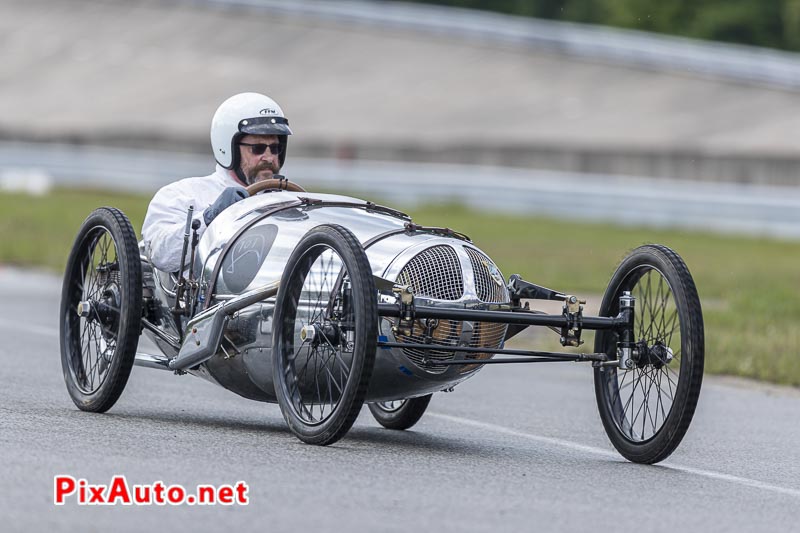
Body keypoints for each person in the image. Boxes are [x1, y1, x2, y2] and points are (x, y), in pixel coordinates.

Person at [142, 92, 292, 272]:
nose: (268, 157)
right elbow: (161, 256)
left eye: (275, 148)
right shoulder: (182, 194)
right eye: (257, 148)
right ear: (228, 148)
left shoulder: (289, 201)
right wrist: (210, 217)